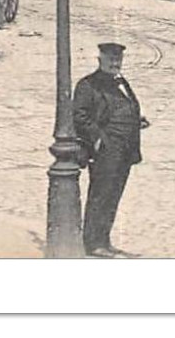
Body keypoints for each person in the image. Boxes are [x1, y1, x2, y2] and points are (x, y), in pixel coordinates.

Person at [73, 41, 149, 257]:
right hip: (105, 150)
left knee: (113, 195)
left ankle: (104, 241)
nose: (115, 63)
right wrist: (97, 139)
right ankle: (93, 243)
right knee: (100, 195)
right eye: (111, 60)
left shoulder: (121, 81)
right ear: (100, 61)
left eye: (118, 60)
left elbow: (124, 107)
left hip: (125, 150)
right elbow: (79, 115)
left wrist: (136, 120)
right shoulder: (88, 85)